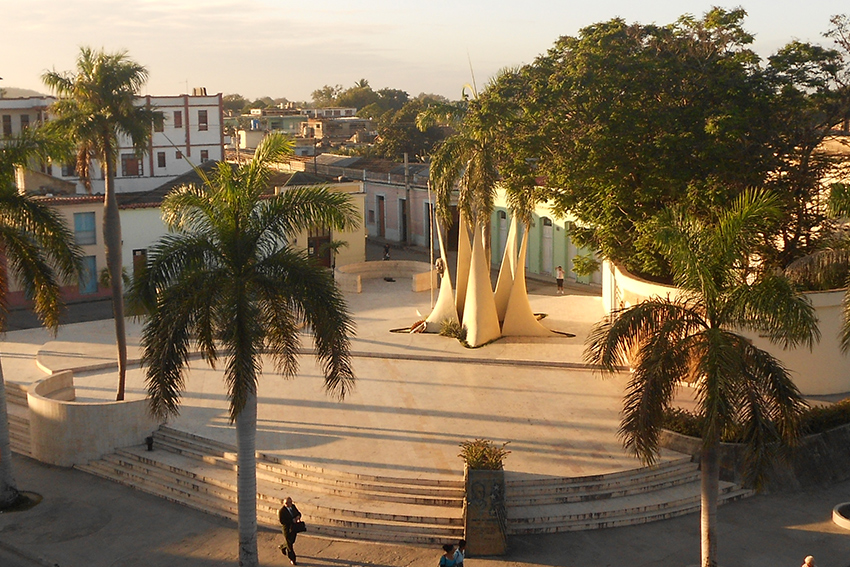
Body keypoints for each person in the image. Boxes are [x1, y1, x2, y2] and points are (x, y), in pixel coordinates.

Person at [278, 496, 302, 565]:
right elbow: (282, 521)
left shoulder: (293, 507)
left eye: (290, 502)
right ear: (284, 503)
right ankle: (292, 559)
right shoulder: (282, 511)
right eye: (287, 503)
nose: (289, 504)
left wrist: (298, 517)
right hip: (287, 530)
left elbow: (298, 513)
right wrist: (291, 520)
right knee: (290, 545)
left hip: (294, 528)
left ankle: (282, 547)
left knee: (292, 541)